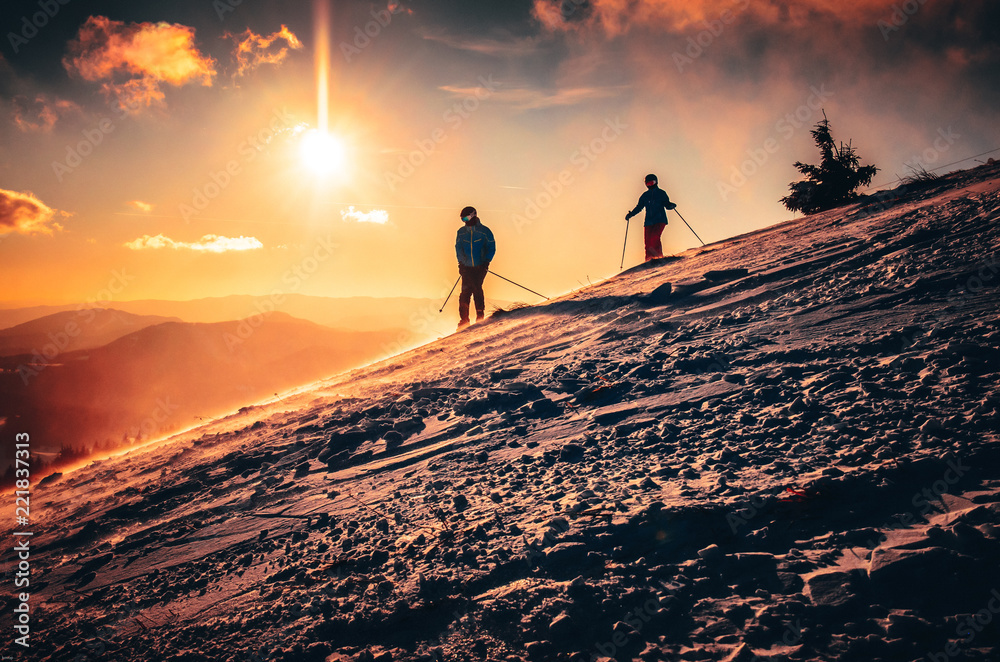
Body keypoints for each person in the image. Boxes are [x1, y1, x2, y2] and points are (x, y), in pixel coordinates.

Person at [455, 205, 496, 329]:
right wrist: (461, 263)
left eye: (466, 219)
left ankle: (479, 317)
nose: (465, 222)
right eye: (463, 220)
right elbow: (458, 248)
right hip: (466, 267)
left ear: (473, 216)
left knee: (477, 288)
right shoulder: (461, 233)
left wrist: (486, 262)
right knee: (465, 292)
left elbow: (491, 247)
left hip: (480, 267)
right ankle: (464, 320)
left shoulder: (485, 231)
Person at [625, 173, 677, 262]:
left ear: (656, 182)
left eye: (652, 183)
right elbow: (639, 207)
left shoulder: (661, 193)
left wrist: (670, 205)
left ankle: (658, 257)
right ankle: (649, 260)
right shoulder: (645, 195)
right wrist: (631, 214)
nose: (650, 185)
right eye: (648, 184)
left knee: (654, 237)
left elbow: (666, 204)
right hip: (649, 221)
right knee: (648, 242)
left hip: (660, 219)